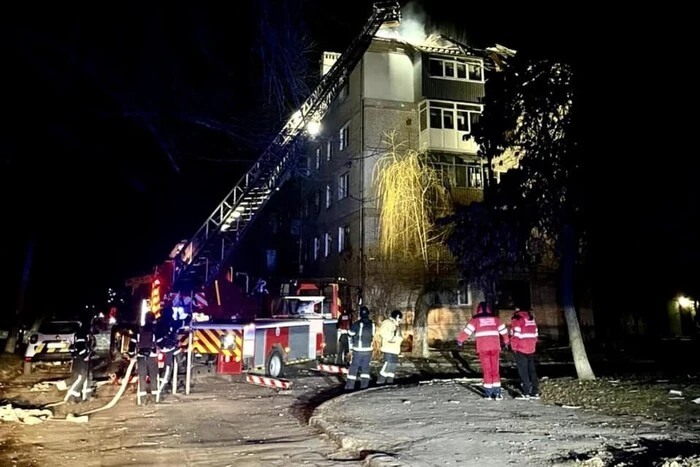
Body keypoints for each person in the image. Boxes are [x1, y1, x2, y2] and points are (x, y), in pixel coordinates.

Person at [457, 301, 509, 400]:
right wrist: (506, 342)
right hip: (495, 347)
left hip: (483, 348)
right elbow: (504, 331)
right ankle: (497, 393)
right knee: (495, 370)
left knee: (487, 370)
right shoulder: (495, 319)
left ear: (478, 310)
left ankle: (488, 394)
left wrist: (460, 341)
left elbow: (467, 331)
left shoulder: (475, 320)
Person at [510, 308, 540, 400]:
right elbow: (536, 334)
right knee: (532, 370)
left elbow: (516, 335)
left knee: (523, 371)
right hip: (531, 348)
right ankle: (535, 392)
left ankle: (526, 392)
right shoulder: (531, 319)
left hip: (521, 348)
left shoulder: (517, 320)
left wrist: (513, 347)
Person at [344, 306, 375, 391]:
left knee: (354, 368)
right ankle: (364, 386)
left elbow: (350, 333)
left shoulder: (357, 324)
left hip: (358, 350)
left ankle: (349, 386)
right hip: (368, 350)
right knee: (365, 368)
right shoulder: (372, 324)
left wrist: (348, 331)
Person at [65, 321, 94, 403]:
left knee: (86, 377)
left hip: (83, 358)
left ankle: (85, 397)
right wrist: (85, 355)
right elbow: (80, 347)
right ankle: (71, 395)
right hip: (80, 359)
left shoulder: (83, 334)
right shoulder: (81, 334)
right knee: (81, 377)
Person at [156, 310, 181, 398]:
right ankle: (160, 389)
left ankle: (156, 387)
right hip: (169, 349)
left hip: (157, 348)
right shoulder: (172, 322)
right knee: (167, 368)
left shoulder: (157, 322)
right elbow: (181, 323)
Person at [137, 312, 159, 404]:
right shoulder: (155, 329)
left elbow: (134, 342)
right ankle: (154, 399)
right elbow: (158, 342)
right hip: (152, 356)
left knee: (142, 377)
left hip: (141, 356)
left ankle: (142, 400)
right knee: (153, 377)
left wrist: (131, 354)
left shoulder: (140, 329)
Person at [377, 310, 403, 385]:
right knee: (387, 367)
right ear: (396, 317)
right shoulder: (387, 323)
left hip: (394, 350)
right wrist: (394, 339)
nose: (400, 320)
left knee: (392, 369)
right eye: (399, 318)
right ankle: (380, 382)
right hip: (389, 349)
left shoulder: (396, 325)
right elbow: (384, 333)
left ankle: (389, 384)